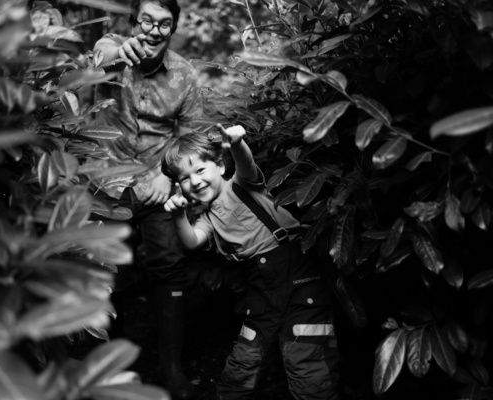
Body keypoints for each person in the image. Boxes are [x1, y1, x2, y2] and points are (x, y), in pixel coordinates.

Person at [161, 125, 340, 400]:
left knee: (307, 359)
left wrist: (236, 143)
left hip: (299, 276)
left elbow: (246, 163)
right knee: (244, 359)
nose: (194, 181)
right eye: (184, 178)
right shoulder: (207, 219)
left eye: (199, 170)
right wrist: (178, 216)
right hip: (261, 286)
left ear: (220, 166)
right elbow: (192, 241)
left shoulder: (241, 185)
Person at [91, 1, 202, 399]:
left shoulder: (184, 74)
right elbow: (97, 59)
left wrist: (165, 176)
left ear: (173, 28)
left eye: (164, 24)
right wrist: (119, 55)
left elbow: (192, 137)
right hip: (107, 181)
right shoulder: (111, 47)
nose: (154, 31)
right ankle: (108, 364)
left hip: (157, 183)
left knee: (170, 265)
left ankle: (170, 368)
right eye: (147, 21)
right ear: (135, 22)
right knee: (103, 269)